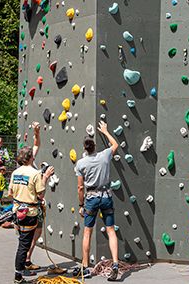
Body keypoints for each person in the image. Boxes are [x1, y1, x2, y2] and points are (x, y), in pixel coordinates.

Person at [76, 120, 120, 281]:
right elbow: (115, 144)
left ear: (84, 149)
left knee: (87, 232)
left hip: (91, 198)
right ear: (94, 147)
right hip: (106, 196)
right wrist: (105, 131)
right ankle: (115, 263)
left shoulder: (81, 163)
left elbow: (80, 187)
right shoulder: (104, 155)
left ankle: (86, 266)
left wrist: (81, 205)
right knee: (111, 230)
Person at [11, 122, 54, 284]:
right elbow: (41, 193)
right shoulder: (35, 173)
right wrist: (45, 176)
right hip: (30, 211)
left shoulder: (15, 172)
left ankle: (23, 265)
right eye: (33, 155)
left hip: (17, 210)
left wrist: (36, 131)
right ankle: (18, 275)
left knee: (24, 240)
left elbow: (10, 192)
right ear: (30, 158)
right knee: (24, 244)